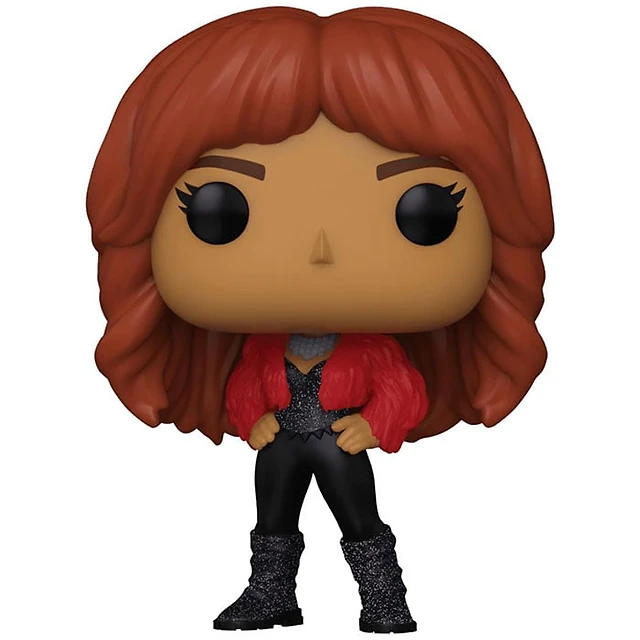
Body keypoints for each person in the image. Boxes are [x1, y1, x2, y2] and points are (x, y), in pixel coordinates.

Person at [86, 6, 553, 633]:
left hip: (339, 439)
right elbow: (247, 385)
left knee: (360, 520)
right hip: (281, 439)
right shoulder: (264, 349)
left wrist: (375, 424)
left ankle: (384, 599)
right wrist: (251, 418)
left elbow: (401, 388)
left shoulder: (372, 350)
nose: (321, 252)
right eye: (221, 212)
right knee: (271, 519)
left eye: (424, 212)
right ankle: (270, 593)